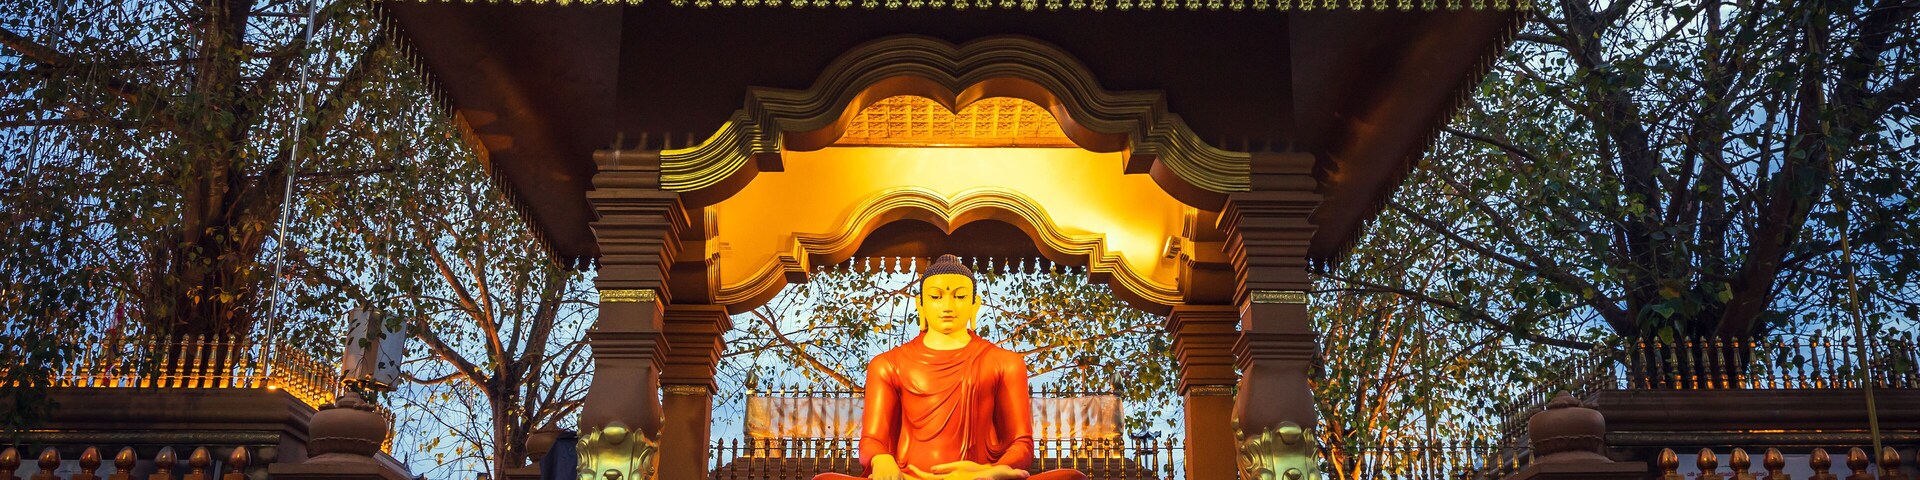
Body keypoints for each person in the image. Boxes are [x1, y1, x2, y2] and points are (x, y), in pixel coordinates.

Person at [814, 255, 1088, 480]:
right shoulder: (888, 364)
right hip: (909, 477)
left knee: (1071, 478)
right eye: (935, 297)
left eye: (959, 297)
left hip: (979, 478)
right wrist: (882, 459)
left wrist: (989, 471)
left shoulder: (1004, 362)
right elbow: (872, 439)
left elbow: (1021, 444)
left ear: (974, 305)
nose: (947, 306)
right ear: (920, 305)